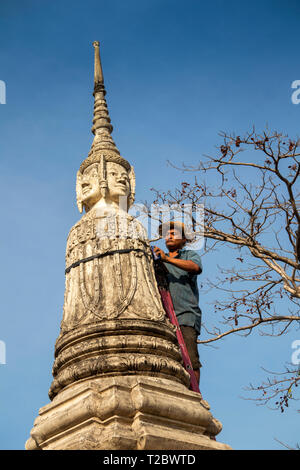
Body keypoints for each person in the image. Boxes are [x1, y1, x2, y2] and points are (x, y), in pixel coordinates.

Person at [154, 221, 202, 383]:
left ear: (184, 240)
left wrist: (166, 259)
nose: (169, 236)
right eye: (167, 234)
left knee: (190, 360)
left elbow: (195, 267)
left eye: (174, 234)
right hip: (163, 317)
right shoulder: (158, 260)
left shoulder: (189, 255)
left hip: (185, 316)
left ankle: (196, 396)